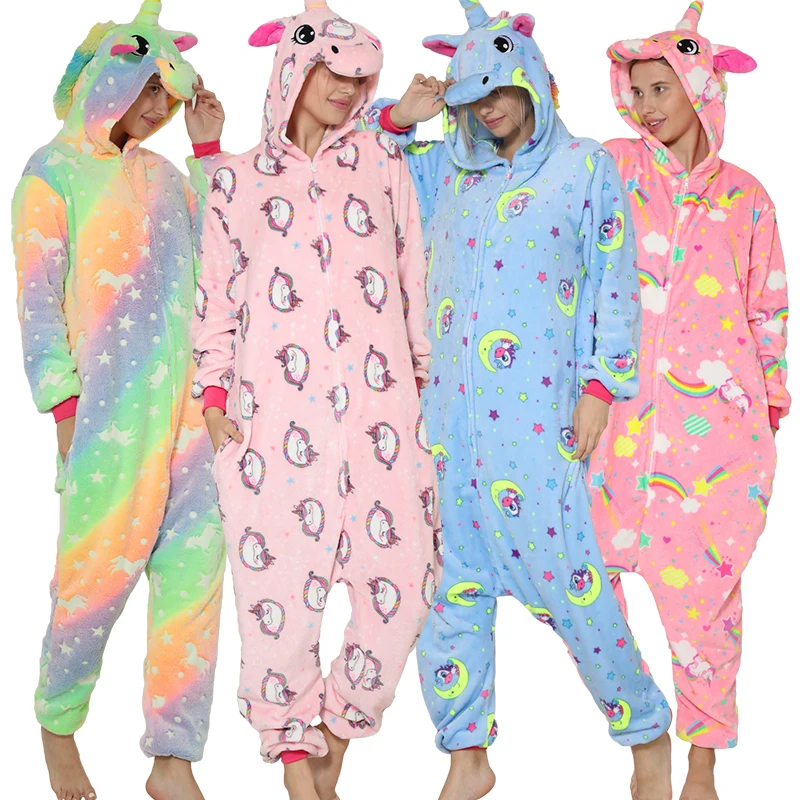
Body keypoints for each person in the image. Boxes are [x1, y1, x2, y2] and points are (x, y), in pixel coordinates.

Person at [365, 1, 672, 798]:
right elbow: (358, 159)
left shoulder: (584, 168)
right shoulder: (443, 171)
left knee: (576, 589)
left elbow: (614, 282)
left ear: (531, 79)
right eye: (471, 95)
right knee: (448, 595)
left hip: (537, 429)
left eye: (499, 88)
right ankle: (467, 755)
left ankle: (645, 733)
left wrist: (601, 387)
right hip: (446, 429)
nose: (488, 107)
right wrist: (403, 115)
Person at [190, 3, 438, 799]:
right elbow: (214, 300)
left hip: (383, 415)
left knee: (406, 584)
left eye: (359, 77)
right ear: (292, 68)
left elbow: (413, 275)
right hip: (271, 421)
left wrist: (424, 384)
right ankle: (300, 773)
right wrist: (215, 400)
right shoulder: (236, 180)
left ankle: (332, 730)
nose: (346, 88)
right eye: (332, 70)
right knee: (277, 603)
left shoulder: (381, 162)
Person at [12, 2, 226, 798]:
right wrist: (65, 412)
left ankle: (173, 760)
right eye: (148, 88)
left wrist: (206, 149)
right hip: (109, 419)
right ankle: (57, 724)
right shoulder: (50, 173)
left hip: (193, 418)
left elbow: (224, 251)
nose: (159, 107)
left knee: (193, 585)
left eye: (168, 93)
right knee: (91, 584)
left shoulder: (167, 176)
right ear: (109, 74)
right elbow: (37, 300)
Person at [588, 3, 789, 798]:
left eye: (660, 89)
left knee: (706, 602)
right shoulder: (613, 168)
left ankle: (702, 761)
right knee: (580, 585)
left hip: (714, 439)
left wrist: (768, 404)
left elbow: (768, 308)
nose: (644, 106)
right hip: (613, 421)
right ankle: (645, 728)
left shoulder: (747, 199)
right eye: (636, 91)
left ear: (702, 87)